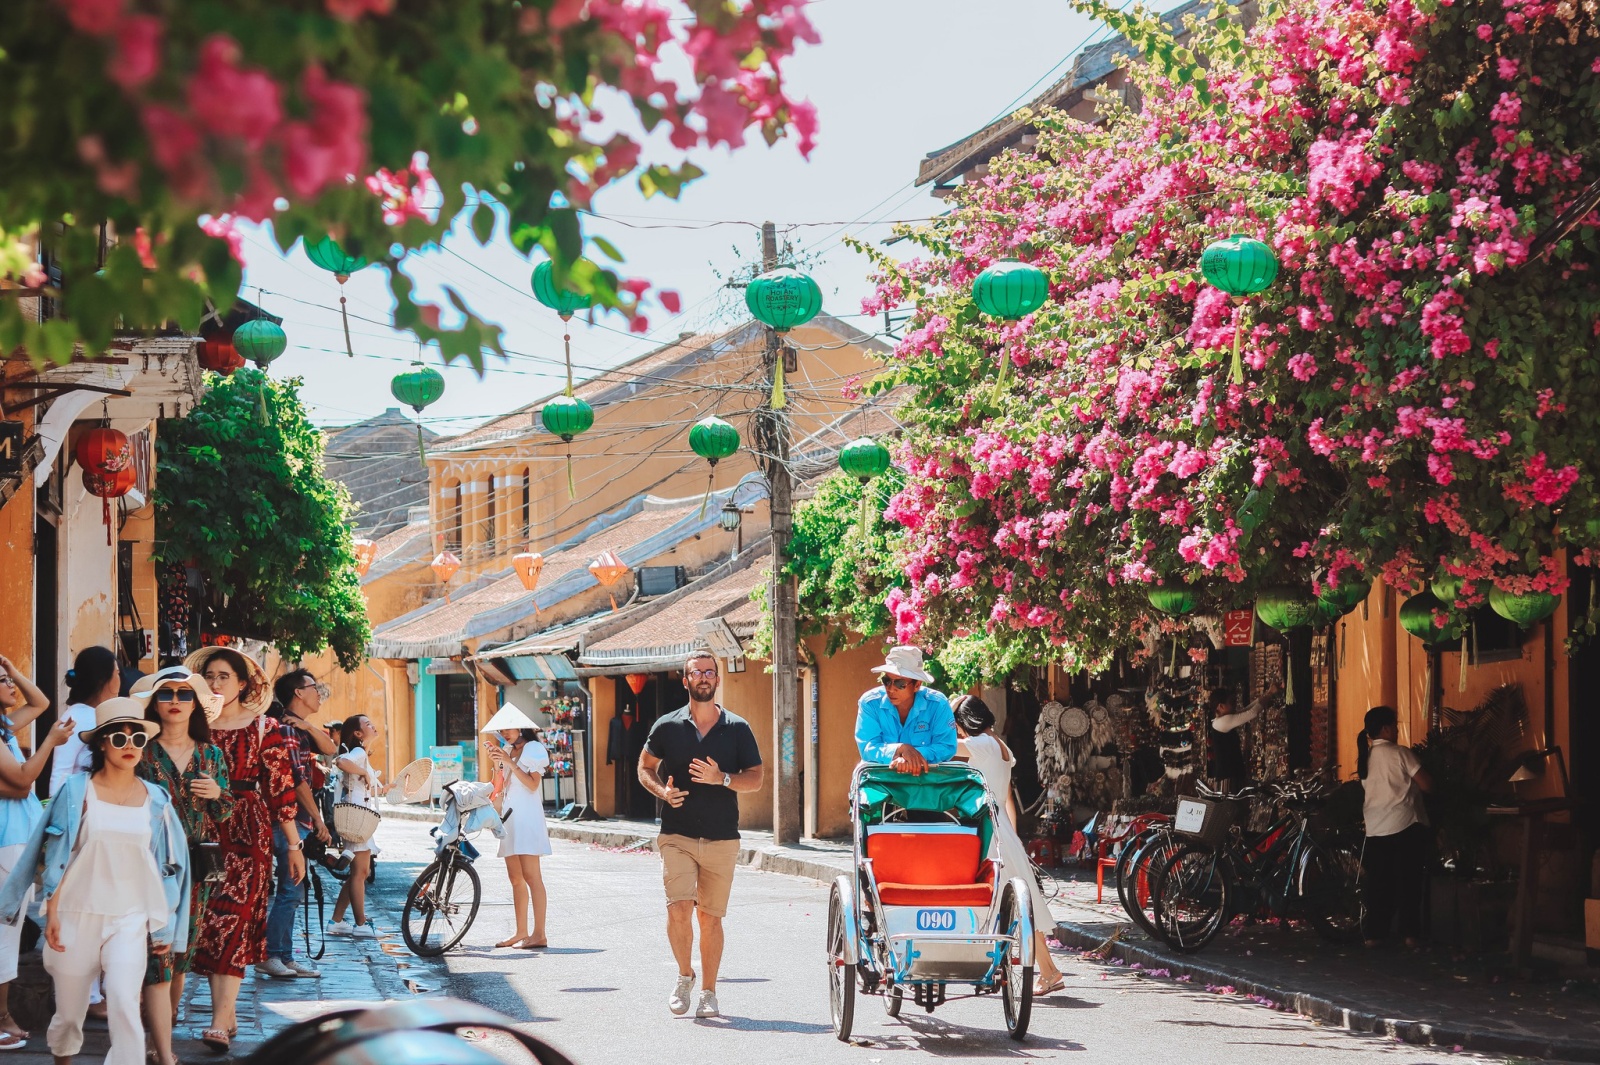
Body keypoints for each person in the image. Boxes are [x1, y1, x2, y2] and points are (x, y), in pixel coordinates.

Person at [0, 701, 190, 1065]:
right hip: (75, 914)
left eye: (136, 736)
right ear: (102, 743)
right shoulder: (75, 792)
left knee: (122, 1002)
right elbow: (47, 852)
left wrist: (167, 929)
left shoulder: (157, 800)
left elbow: (173, 868)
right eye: (119, 737)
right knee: (69, 1017)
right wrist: (50, 908)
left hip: (129, 917)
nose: (129, 744)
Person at [186, 647, 302, 1056]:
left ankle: (218, 1021)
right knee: (204, 922)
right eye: (210, 677)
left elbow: (280, 789)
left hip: (245, 830)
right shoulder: (193, 723)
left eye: (224, 677)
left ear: (241, 683)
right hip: (198, 829)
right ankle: (228, 1012)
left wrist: (292, 843)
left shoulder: (263, 727)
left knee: (233, 920)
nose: (216, 684)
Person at [636, 652, 763, 1019]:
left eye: (710, 672)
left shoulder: (737, 728)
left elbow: (755, 778)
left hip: (723, 837)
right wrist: (662, 792)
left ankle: (708, 990)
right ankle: (684, 975)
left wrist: (721, 778)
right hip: (677, 833)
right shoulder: (667, 726)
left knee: (710, 918)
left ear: (717, 679)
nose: (704, 677)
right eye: (697, 672)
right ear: (686, 680)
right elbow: (645, 767)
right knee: (678, 908)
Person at [130, 666, 232, 1065]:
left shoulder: (211, 755)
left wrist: (217, 792)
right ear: (154, 703)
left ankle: (164, 1029)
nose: (175, 701)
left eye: (184, 694)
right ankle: (154, 1038)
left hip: (194, 865)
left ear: (196, 705)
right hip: (147, 861)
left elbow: (224, 813)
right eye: (166, 694)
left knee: (181, 951)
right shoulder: (140, 748)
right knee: (152, 949)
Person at [952, 695, 1066, 997]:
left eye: (957, 724)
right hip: (1001, 824)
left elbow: (941, 748)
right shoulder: (1000, 745)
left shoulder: (983, 745)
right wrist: (1013, 838)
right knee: (1020, 904)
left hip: (990, 826)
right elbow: (1007, 799)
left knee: (994, 897)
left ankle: (1041, 970)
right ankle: (1048, 971)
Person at [0, 657, 74, 1050]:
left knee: (19, 924)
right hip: (5, 839)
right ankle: (2, 1017)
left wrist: (11, 668)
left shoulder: (4, 726)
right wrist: (49, 742)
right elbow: (25, 780)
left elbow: (41, 702)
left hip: (16, 835)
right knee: (6, 930)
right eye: (3, 682)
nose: (12, 687)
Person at [261, 670, 335, 979]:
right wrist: (319, 820)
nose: (319, 692)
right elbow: (297, 781)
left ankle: (285, 956)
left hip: (294, 819)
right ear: (298, 693)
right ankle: (272, 954)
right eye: (313, 687)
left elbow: (330, 748)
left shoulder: (297, 728)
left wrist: (306, 724)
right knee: (290, 890)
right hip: (287, 820)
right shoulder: (287, 732)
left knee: (293, 890)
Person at [1357, 705, 1433, 947]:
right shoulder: (1400, 753)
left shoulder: (1365, 759)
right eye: (1395, 724)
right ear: (1386, 728)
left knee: (1379, 885)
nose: (1397, 729)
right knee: (1408, 883)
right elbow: (1427, 784)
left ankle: (1373, 935)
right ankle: (1410, 935)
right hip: (1405, 825)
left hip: (1375, 828)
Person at [481, 705, 551, 950]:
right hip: (510, 816)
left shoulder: (533, 748)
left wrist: (509, 762)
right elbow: (499, 786)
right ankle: (521, 931)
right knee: (515, 878)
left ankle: (539, 933)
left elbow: (532, 785)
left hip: (528, 817)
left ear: (520, 726)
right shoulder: (509, 751)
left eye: (508, 728)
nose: (505, 733)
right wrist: (499, 764)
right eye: (501, 730)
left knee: (532, 876)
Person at [854, 645, 957, 775]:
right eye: (887, 681)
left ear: (917, 685)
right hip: (882, 781)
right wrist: (900, 749)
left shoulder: (938, 705)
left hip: (926, 782)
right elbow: (868, 748)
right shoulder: (870, 703)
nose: (891, 689)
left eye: (899, 683)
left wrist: (912, 757)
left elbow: (946, 746)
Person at [327, 714, 386, 938]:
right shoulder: (359, 752)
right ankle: (361, 925)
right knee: (361, 872)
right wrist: (362, 772)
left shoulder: (363, 754)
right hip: (357, 819)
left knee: (356, 873)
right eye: (368, 724)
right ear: (358, 733)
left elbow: (365, 786)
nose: (373, 725)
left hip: (357, 817)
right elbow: (340, 761)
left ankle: (337, 921)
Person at [49, 646, 121, 798]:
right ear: (104, 680)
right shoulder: (76, 718)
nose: (120, 679)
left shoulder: (100, 714)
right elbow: (61, 771)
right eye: (117, 673)